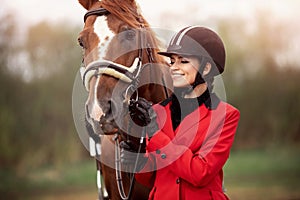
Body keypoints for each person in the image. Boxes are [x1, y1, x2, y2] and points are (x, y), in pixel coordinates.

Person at [121, 26, 240, 200]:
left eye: (183, 61)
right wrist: (138, 161)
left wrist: (156, 135)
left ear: (206, 68)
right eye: (172, 61)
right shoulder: (157, 112)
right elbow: (153, 178)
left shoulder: (226, 116)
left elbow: (200, 173)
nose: (173, 68)